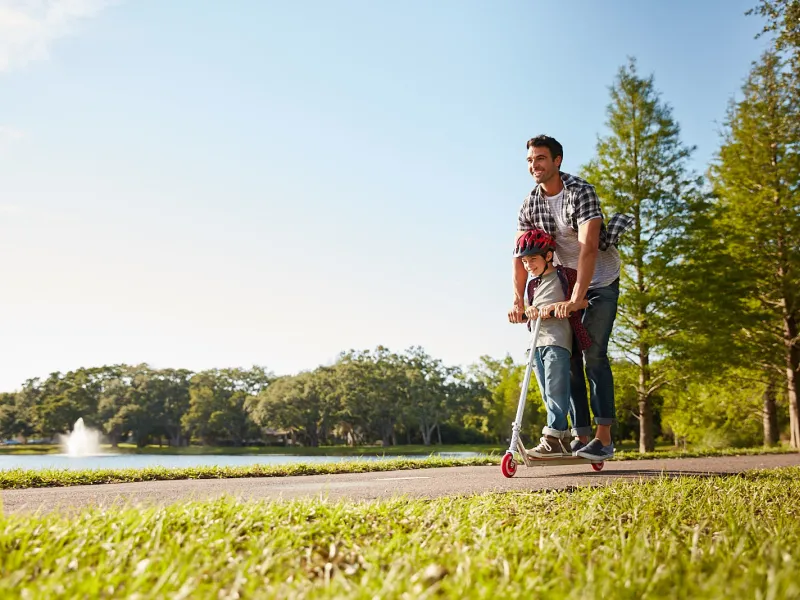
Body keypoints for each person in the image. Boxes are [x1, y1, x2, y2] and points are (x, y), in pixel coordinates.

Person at [508, 134, 633, 461]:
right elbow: (520, 255)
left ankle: (604, 439)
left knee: (593, 353)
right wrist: (519, 301)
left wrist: (579, 298)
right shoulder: (529, 204)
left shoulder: (580, 192)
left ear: (557, 161)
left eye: (541, 159)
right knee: (569, 356)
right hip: (566, 283)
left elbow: (588, 247)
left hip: (601, 280)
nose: (535, 165)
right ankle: (578, 438)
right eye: (531, 160)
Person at [514, 228, 591, 457]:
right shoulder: (532, 285)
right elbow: (530, 310)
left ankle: (552, 437)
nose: (528, 266)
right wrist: (523, 311)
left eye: (533, 259)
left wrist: (564, 305)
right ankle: (563, 439)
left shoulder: (565, 276)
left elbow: (585, 301)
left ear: (548, 256)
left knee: (557, 389)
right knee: (547, 393)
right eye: (525, 261)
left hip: (557, 340)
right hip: (534, 343)